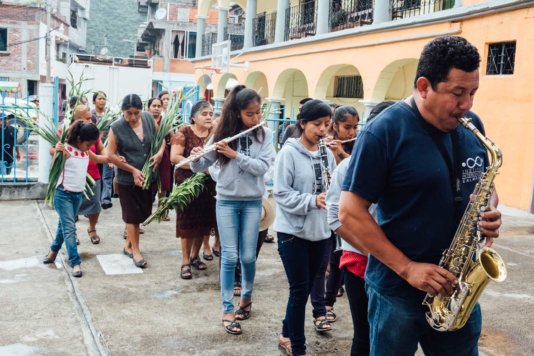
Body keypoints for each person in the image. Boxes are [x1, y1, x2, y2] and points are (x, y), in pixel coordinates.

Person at [339, 36, 502, 355]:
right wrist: (408, 268)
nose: (467, 104)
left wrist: (490, 209)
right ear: (424, 86)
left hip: (457, 288)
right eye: (457, 93)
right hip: (396, 291)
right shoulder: (384, 131)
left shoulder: (471, 126)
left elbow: (487, 185)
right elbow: (349, 213)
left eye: (473, 93)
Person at [190, 85, 276, 336]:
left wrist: (234, 155)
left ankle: (246, 298)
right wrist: (197, 156)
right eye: (250, 114)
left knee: (248, 256)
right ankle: (228, 310)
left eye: (258, 112)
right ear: (237, 113)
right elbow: (201, 165)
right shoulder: (221, 132)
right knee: (229, 256)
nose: (256, 118)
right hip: (226, 200)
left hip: (252, 201)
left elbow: (262, 167)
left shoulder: (265, 135)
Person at [325, 101, 394, 356]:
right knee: (365, 335)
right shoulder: (347, 167)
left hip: (398, 266)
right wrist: (376, 250)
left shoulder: (406, 168)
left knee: (392, 337)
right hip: (360, 263)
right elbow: (335, 217)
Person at [273, 99, 336, 356]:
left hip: (321, 232)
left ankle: (286, 333)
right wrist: (312, 200)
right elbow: (280, 193)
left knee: (307, 287)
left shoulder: (327, 154)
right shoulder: (288, 153)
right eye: (317, 124)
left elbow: (334, 189)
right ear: (302, 124)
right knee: (299, 291)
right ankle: (298, 348)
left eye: (327, 125)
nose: (323, 130)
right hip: (292, 233)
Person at [107, 94, 165, 268]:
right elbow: (110, 154)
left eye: (136, 113)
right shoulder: (116, 127)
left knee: (143, 212)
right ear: (123, 111)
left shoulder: (147, 118)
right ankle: (136, 252)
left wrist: (160, 153)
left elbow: (160, 139)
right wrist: (132, 170)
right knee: (132, 216)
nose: (132, 117)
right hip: (127, 179)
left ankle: (127, 246)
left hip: (148, 176)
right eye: (128, 113)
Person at [43, 120, 100, 277]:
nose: (89, 148)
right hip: (63, 194)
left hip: (78, 194)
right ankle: (75, 262)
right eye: (88, 144)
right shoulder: (66, 149)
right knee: (70, 228)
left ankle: (53, 252)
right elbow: (53, 167)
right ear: (79, 139)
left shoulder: (85, 151)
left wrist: (113, 159)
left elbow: (99, 159)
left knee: (64, 225)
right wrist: (57, 152)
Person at [170, 100, 217, 279]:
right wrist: (199, 167)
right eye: (204, 114)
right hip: (188, 183)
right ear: (193, 117)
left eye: (211, 114)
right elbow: (175, 158)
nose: (208, 117)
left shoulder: (214, 134)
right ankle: (185, 261)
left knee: (204, 222)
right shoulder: (184, 132)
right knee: (187, 222)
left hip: (208, 184)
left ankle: (195, 256)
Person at [57, 105, 109, 245]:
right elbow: (54, 149)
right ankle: (72, 234)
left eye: (90, 117)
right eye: (86, 118)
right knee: (71, 210)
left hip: (93, 173)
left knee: (95, 204)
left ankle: (92, 229)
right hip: (73, 176)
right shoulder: (65, 132)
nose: (90, 120)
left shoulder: (92, 132)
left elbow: (101, 149)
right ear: (77, 118)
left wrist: (108, 158)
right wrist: (61, 152)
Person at [148, 97, 173, 221]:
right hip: (148, 154)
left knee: (163, 183)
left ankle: (161, 210)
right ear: (148, 107)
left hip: (164, 155)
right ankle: (146, 211)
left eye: (159, 106)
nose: (157, 108)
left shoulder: (165, 121)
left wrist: (170, 131)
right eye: (154, 106)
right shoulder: (144, 121)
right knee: (148, 182)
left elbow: (173, 139)